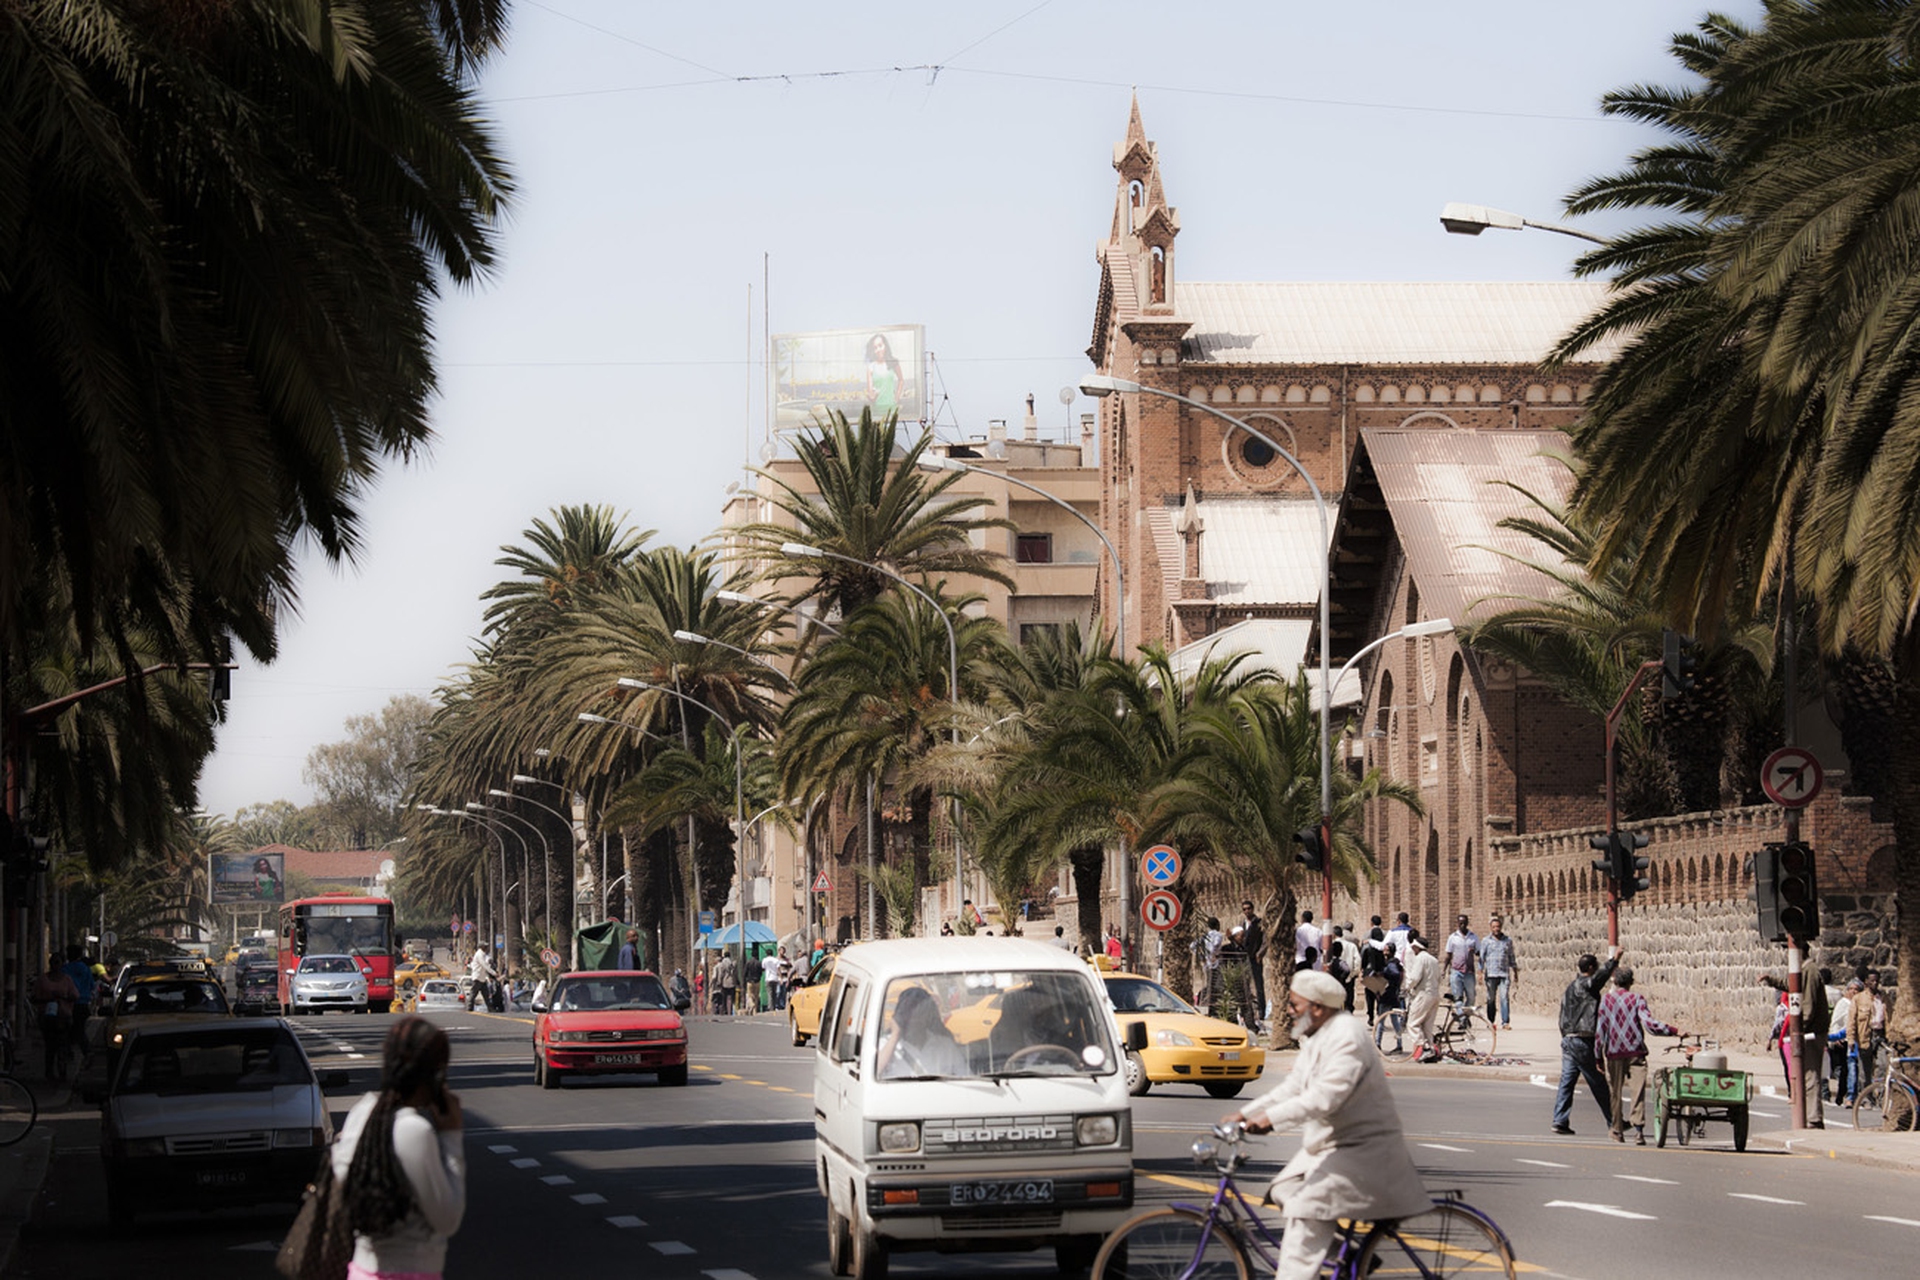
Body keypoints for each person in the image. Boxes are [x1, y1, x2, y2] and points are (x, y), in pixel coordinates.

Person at [1223, 971, 1430, 1280]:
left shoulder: (1348, 1036)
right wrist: (1244, 1113)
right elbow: (1293, 1086)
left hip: (1364, 1149)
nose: (1289, 1011)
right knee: (1283, 1189)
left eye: (1294, 1004)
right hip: (1333, 1145)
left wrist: (1272, 1120)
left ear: (1317, 1007)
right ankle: (1351, 1257)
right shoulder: (1316, 1034)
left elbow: (1325, 1098)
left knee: (1304, 1217)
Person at [334, 1017, 465, 1279]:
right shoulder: (413, 1130)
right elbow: (447, 1218)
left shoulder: (361, 1114)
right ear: (436, 1073)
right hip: (411, 1270)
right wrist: (451, 1136)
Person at [1597, 967, 1681, 1143]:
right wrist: (1672, 1031)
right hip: (1635, 1051)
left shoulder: (1606, 1001)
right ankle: (1638, 1130)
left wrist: (1598, 1055)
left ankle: (1617, 1130)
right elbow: (1649, 1024)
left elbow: (1601, 1030)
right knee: (1638, 1091)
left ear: (1614, 981)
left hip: (1614, 1052)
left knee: (1615, 1092)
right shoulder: (1637, 999)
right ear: (1631, 982)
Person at [1552, 948, 1620, 1135]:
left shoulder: (1570, 988)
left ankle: (1560, 1120)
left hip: (1568, 1040)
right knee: (1598, 1083)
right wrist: (1614, 960)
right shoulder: (1586, 985)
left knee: (1567, 1082)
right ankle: (1614, 1122)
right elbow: (1601, 977)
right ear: (1590, 968)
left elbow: (1561, 1015)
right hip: (1582, 1040)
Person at [1759, 958, 1830, 1127]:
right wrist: (1772, 980)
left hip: (1812, 1033)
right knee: (1804, 1076)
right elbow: (1792, 985)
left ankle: (1814, 1118)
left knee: (1811, 1076)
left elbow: (1809, 1004)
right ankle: (1808, 1115)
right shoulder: (1802, 971)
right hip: (1807, 1032)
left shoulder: (1810, 971)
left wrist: (1800, 1027)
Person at [877, 986, 968, 1079]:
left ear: (928, 1015)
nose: (913, 1017)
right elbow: (874, 1071)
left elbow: (965, 1077)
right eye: (908, 1011)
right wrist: (895, 1036)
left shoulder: (945, 1046)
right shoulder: (885, 1045)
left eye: (919, 1011)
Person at [31, 958, 78, 1081]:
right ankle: (49, 1071)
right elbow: (34, 998)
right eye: (54, 963)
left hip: (63, 1016)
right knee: (50, 1045)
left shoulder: (67, 980)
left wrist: (63, 997)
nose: (56, 966)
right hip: (47, 1017)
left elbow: (75, 996)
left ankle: (62, 1071)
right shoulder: (42, 980)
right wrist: (47, 1000)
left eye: (58, 963)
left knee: (62, 1044)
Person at [1848, 970, 1887, 1100]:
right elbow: (1851, 1020)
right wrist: (1851, 1039)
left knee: (1882, 1064)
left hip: (1880, 1034)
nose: (1875, 983)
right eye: (1872, 980)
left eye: (1877, 980)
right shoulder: (1858, 999)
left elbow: (1890, 1017)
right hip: (1865, 1036)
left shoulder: (1883, 997)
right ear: (1866, 982)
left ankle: (1880, 1095)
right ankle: (1866, 1096)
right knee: (1865, 1068)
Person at [1403, 934, 1443, 1061]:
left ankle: (1424, 1047)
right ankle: (1431, 1050)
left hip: (1423, 994)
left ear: (1417, 948)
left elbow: (1415, 978)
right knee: (1427, 1025)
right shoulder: (1434, 960)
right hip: (1434, 994)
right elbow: (1439, 978)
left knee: (1412, 1023)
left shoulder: (1420, 959)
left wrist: (1407, 987)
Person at [1476, 915, 1518, 1029]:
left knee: (1504, 997)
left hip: (1504, 973)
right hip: (1491, 974)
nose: (1496, 929)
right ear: (1490, 928)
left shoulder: (1507, 941)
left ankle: (1505, 1022)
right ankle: (1491, 1022)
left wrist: (1515, 971)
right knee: (1491, 998)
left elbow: (1511, 956)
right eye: (1494, 927)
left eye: (1498, 926)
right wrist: (1480, 972)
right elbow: (1482, 958)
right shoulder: (1486, 941)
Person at [1831, 979, 1861, 1105]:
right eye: (1851, 989)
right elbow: (1836, 1020)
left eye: (1857, 989)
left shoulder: (1860, 1003)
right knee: (1846, 1069)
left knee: (1852, 1069)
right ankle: (1844, 1095)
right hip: (1844, 1040)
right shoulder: (1844, 1003)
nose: (1854, 992)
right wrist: (1834, 1036)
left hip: (1858, 1040)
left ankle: (1851, 1094)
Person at [60, 944, 96, 1049]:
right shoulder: (85, 969)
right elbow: (91, 985)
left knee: (68, 1031)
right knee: (79, 1030)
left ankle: (83, 1051)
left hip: (67, 1005)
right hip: (83, 1005)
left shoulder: (65, 969)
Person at [1443, 914, 1479, 1015]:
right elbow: (1448, 955)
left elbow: (1478, 952)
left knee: (1471, 997)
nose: (1462, 925)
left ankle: (1463, 1015)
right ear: (1457, 924)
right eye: (1460, 923)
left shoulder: (1473, 937)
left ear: (1467, 923)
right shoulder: (1453, 938)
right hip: (1456, 971)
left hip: (1469, 972)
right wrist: (1444, 970)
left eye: (1464, 923)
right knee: (1458, 997)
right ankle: (1462, 1019)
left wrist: (1474, 951)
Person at [1239, 900, 1268, 1027]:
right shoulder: (1243, 924)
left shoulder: (1259, 923)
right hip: (1245, 958)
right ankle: (1247, 1011)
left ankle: (1262, 1011)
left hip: (1255, 958)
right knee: (1245, 985)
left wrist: (1260, 954)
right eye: (1244, 909)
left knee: (1259, 985)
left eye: (1248, 908)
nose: (1247, 911)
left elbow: (1266, 940)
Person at [865, 332, 905, 419]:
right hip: (877, 410)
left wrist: (897, 396)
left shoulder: (893, 363)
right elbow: (870, 392)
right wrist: (871, 396)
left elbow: (901, 380)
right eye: (875, 348)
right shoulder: (871, 367)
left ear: (885, 346)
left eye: (880, 345)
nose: (878, 349)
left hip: (892, 408)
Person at [1194, 916, 1224, 1013]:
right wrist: (1213, 954)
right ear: (1217, 925)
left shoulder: (1204, 936)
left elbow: (1193, 946)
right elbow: (1216, 944)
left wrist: (1202, 956)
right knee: (1217, 985)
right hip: (1216, 963)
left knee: (1210, 984)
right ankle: (1213, 1007)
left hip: (1207, 964)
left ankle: (1211, 1007)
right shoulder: (1218, 935)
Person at [466, 945, 496, 1012]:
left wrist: (490, 961)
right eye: (485, 947)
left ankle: (490, 1009)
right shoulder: (479, 954)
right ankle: (469, 1008)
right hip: (477, 977)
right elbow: (484, 965)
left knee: (486, 994)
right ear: (482, 947)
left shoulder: (483, 954)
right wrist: (494, 973)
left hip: (482, 978)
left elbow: (487, 959)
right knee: (473, 994)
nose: (487, 948)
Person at [714, 950, 737, 1018]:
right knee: (730, 998)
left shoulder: (722, 964)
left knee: (723, 997)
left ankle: (724, 1011)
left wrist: (719, 981)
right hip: (732, 982)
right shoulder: (732, 963)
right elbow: (735, 973)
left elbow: (721, 974)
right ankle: (730, 1011)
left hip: (724, 982)